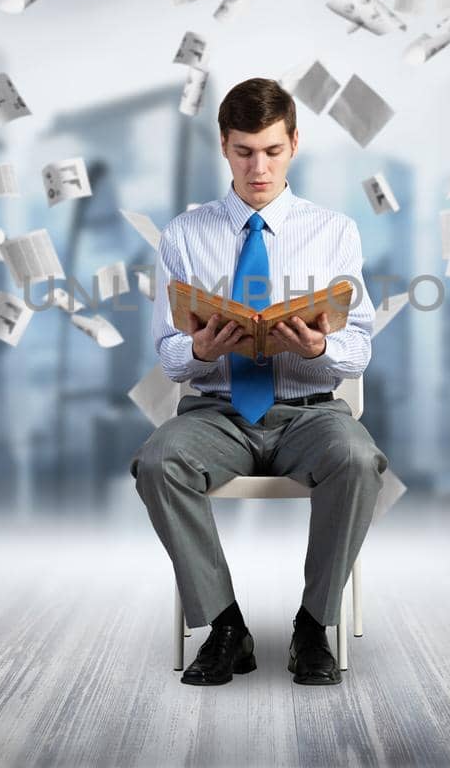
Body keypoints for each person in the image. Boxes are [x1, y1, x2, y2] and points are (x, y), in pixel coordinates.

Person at [132, 77, 386, 686]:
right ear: (223, 146)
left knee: (358, 459)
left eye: (272, 151)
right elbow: (168, 357)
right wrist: (199, 347)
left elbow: (361, 347)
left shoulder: (335, 231)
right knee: (157, 461)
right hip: (217, 412)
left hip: (311, 412)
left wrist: (321, 344)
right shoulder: (183, 236)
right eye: (244, 151)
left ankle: (312, 626)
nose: (259, 167)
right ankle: (224, 627)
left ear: (294, 143)